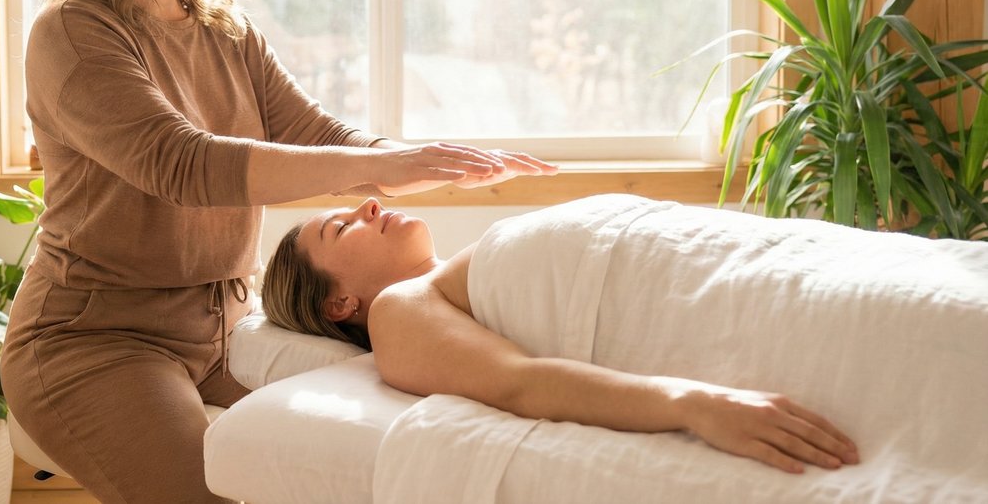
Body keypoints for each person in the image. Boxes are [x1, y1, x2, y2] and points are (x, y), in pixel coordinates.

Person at [0, 0, 556, 504]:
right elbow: (185, 163)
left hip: (230, 328)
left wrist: (419, 162)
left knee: (388, 451)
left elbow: (318, 134)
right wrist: (380, 166)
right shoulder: (74, 31)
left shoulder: (225, 29)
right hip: (98, 340)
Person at [261, 197, 863, 476]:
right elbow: (519, 384)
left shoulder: (445, 280)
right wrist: (692, 403)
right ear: (340, 303)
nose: (368, 205)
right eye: (342, 228)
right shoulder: (399, 309)